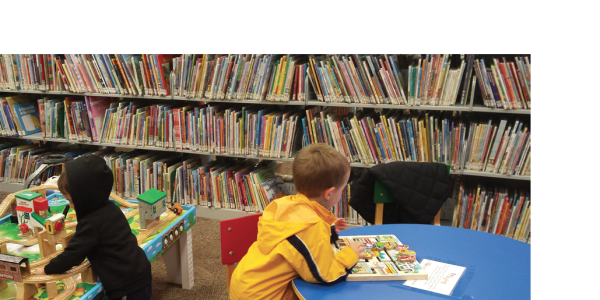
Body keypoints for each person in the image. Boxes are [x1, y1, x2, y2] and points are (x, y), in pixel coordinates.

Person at [229, 143, 367, 300]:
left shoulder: (286, 203)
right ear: (329, 194)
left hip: (245, 285)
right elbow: (324, 275)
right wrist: (350, 255)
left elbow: (298, 241)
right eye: (342, 189)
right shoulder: (311, 226)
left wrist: (328, 231)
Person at [32, 155, 152, 300]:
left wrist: (46, 270)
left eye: (72, 200)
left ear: (87, 196)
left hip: (126, 284)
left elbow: (72, 255)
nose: (71, 206)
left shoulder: (90, 223)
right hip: (140, 271)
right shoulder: (111, 208)